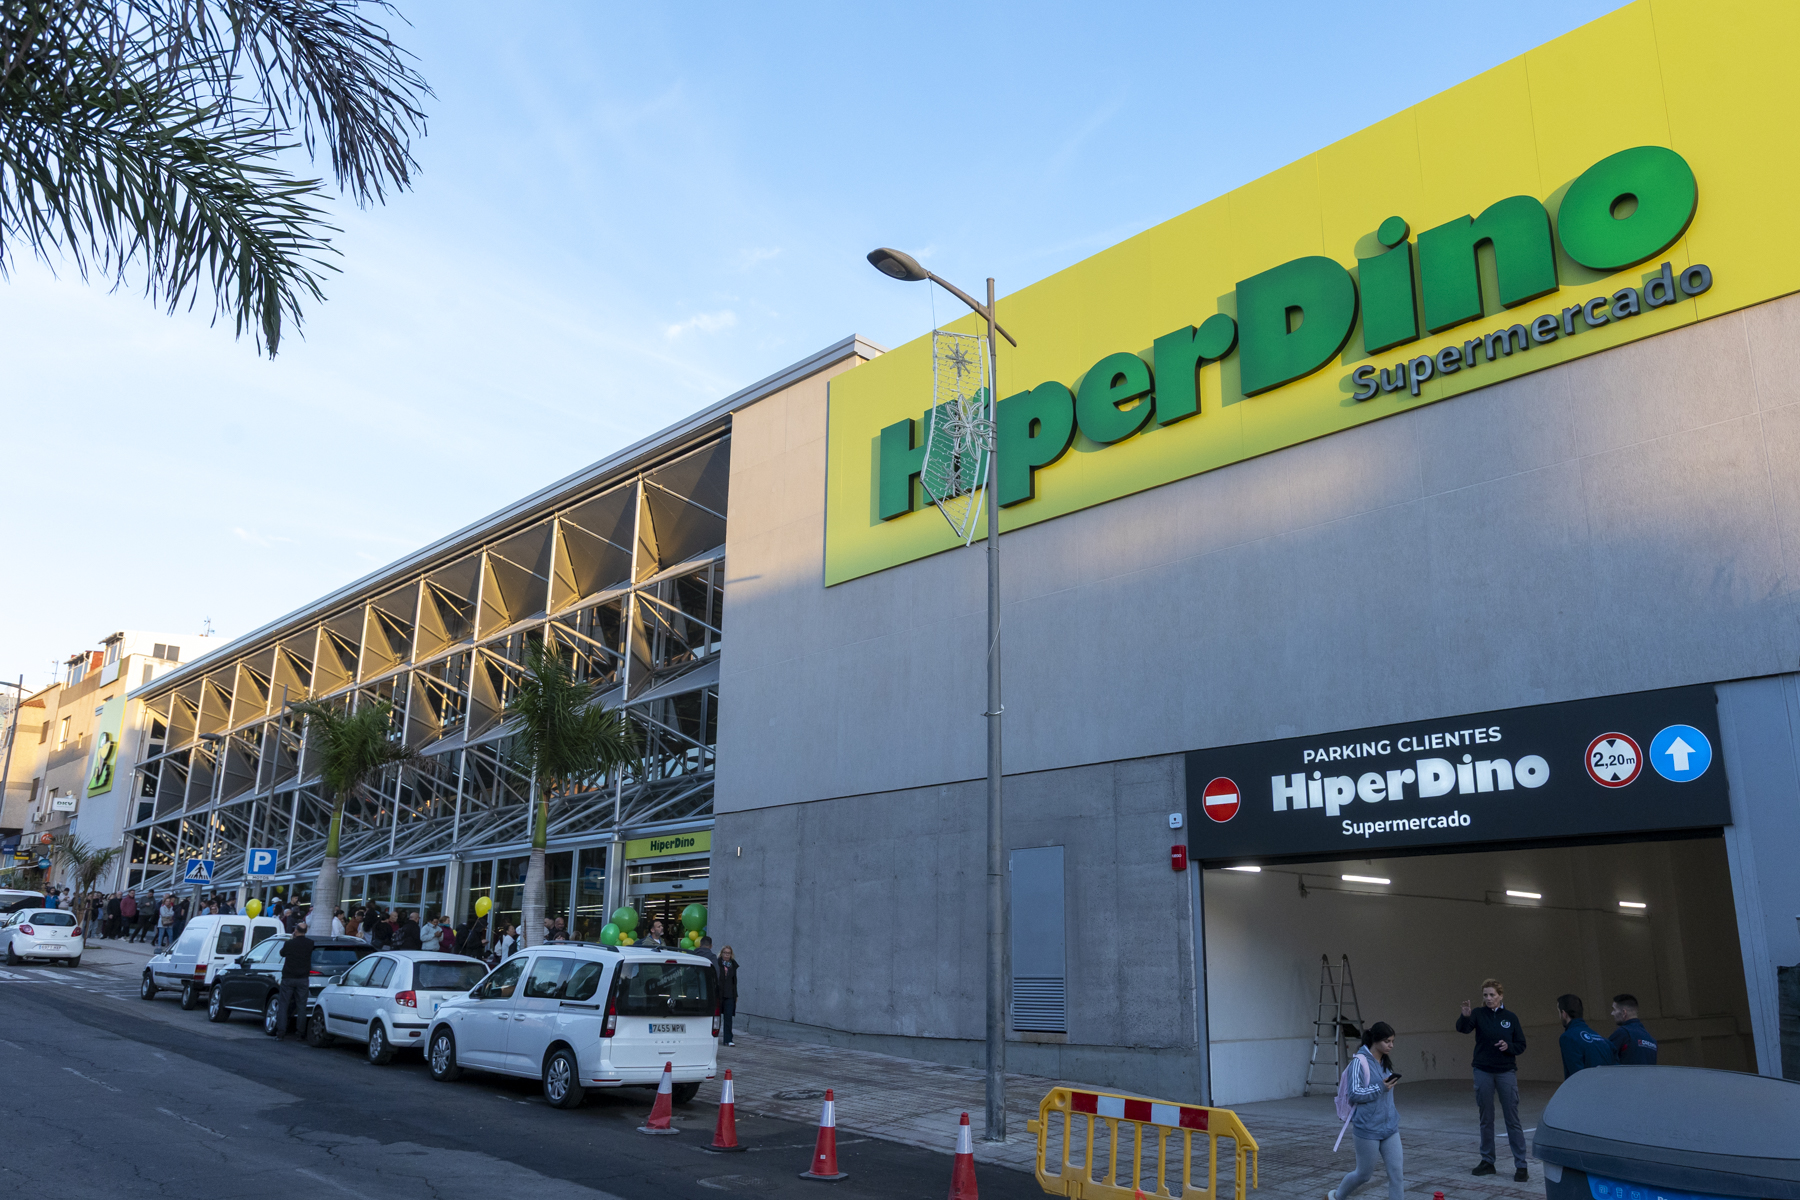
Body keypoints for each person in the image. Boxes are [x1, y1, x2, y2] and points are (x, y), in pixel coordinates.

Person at [1456, 978, 1528, 1181]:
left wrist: (1508, 1047)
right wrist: (1465, 1016)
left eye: (1492, 995)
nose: (1488, 998)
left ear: (1500, 996)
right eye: (1485, 995)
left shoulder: (1510, 1017)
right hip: (1483, 1070)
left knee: (1512, 1118)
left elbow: (1521, 1044)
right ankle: (1488, 1161)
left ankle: (1521, 1165)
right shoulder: (1478, 1014)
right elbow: (1463, 1029)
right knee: (1486, 1117)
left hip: (1505, 1071)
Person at [1328, 1021, 1403, 1200]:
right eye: (1387, 1041)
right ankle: (1336, 1197)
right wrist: (1380, 1087)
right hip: (1367, 1128)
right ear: (1375, 1040)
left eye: (1392, 1041)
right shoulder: (1359, 1063)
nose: (1391, 1045)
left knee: (1397, 1175)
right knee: (1363, 1174)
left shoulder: (1385, 1062)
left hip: (1390, 1127)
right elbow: (1354, 1093)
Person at [1556, 995, 1617, 1078]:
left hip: (1587, 1085)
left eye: (1559, 1012)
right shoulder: (1605, 1042)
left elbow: (1576, 1076)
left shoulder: (1568, 1038)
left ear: (1564, 1014)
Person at [275, 928, 315, 1041]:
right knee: (301, 1006)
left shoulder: (289, 944)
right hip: (303, 978)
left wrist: (292, 938)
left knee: (283, 1005)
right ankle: (300, 1033)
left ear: (296, 931)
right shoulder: (310, 943)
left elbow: (282, 953)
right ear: (306, 931)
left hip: (288, 977)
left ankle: (281, 1032)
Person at [1609, 995, 1659, 1064]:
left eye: (1614, 1010)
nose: (1612, 1013)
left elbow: (1606, 1058)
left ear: (1624, 1013)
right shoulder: (1651, 1040)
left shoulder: (1623, 1033)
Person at [717, 946, 739, 1046]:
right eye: (725, 952)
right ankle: (713, 1037)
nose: (726, 955)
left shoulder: (733, 965)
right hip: (719, 993)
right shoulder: (717, 963)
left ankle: (728, 1039)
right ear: (721, 953)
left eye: (728, 953)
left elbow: (734, 981)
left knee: (728, 1017)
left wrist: (736, 995)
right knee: (716, 1017)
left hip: (729, 994)